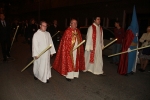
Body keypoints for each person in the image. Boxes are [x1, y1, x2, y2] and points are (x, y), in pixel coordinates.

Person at [118, 7, 138, 75]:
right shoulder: (130, 29)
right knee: (128, 60)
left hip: (134, 47)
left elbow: (137, 38)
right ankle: (126, 70)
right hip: (130, 47)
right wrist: (128, 47)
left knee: (132, 60)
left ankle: (130, 70)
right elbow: (127, 39)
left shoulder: (136, 29)